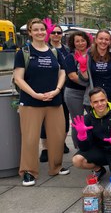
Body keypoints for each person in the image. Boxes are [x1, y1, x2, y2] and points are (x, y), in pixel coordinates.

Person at [13, 18, 70, 186]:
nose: (40, 32)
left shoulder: (54, 51)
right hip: (31, 102)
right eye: (35, 29)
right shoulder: (23, 52)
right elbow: (18, 78)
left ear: (47, 32)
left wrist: (57, 90)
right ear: (30, 32)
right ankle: (29, 171)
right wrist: (35, 94)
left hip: (54, 100)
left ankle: (56, 166)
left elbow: (62, 72)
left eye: (42, 30)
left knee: (57, 137)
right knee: (30, 139)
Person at [71, 87, 111, 188]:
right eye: (95, 102)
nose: (99, 104)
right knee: (77, 160)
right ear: (91, 103)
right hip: (100, 151)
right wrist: (81, 136)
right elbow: (85, 148)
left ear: (107, 99)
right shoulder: (88, 118)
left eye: (102, 100)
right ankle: (99, 170)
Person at [40, 24, 71, 162]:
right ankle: (45, 148)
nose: (56, 35)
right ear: (49, 34)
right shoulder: (45, 49)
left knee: (64, 118)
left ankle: (60, 143)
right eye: (53, 32)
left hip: (64, 88)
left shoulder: (67, 50)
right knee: (44, 121)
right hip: (47, 88)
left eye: (59, 32)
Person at [77, 29, 111, 107]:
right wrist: (83, 68)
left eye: (106, 39)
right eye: (101, 39)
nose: (103, 41)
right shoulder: (87, 57)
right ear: (96, 40)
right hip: (95, 100)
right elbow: (84, 81)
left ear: (110, 41)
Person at [64, 30, 91, 149]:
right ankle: (79, 147)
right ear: (73, 43)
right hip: (74, 93)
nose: (80, 43)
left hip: (91, 92)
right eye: (77, 41)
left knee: (94, 119)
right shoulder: (70, 57)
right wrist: (89, 84)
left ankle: (92, 144)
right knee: (77, 121)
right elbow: (72, 76)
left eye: (83, 40)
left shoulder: (92, 55)